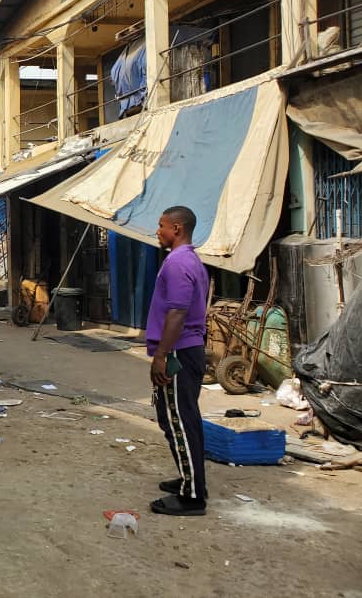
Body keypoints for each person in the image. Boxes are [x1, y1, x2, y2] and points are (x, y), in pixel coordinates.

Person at [147, 205, 210, 516]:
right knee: (179, 418)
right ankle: (191, 480)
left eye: (161, 225)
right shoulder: (189, 260)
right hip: (186, 348)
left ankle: (193, 496)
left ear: (177, 229)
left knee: (180, 421)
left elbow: (178, 312)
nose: (158, 231)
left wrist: (161, 355)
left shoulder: (178, 262)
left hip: (179, 351)